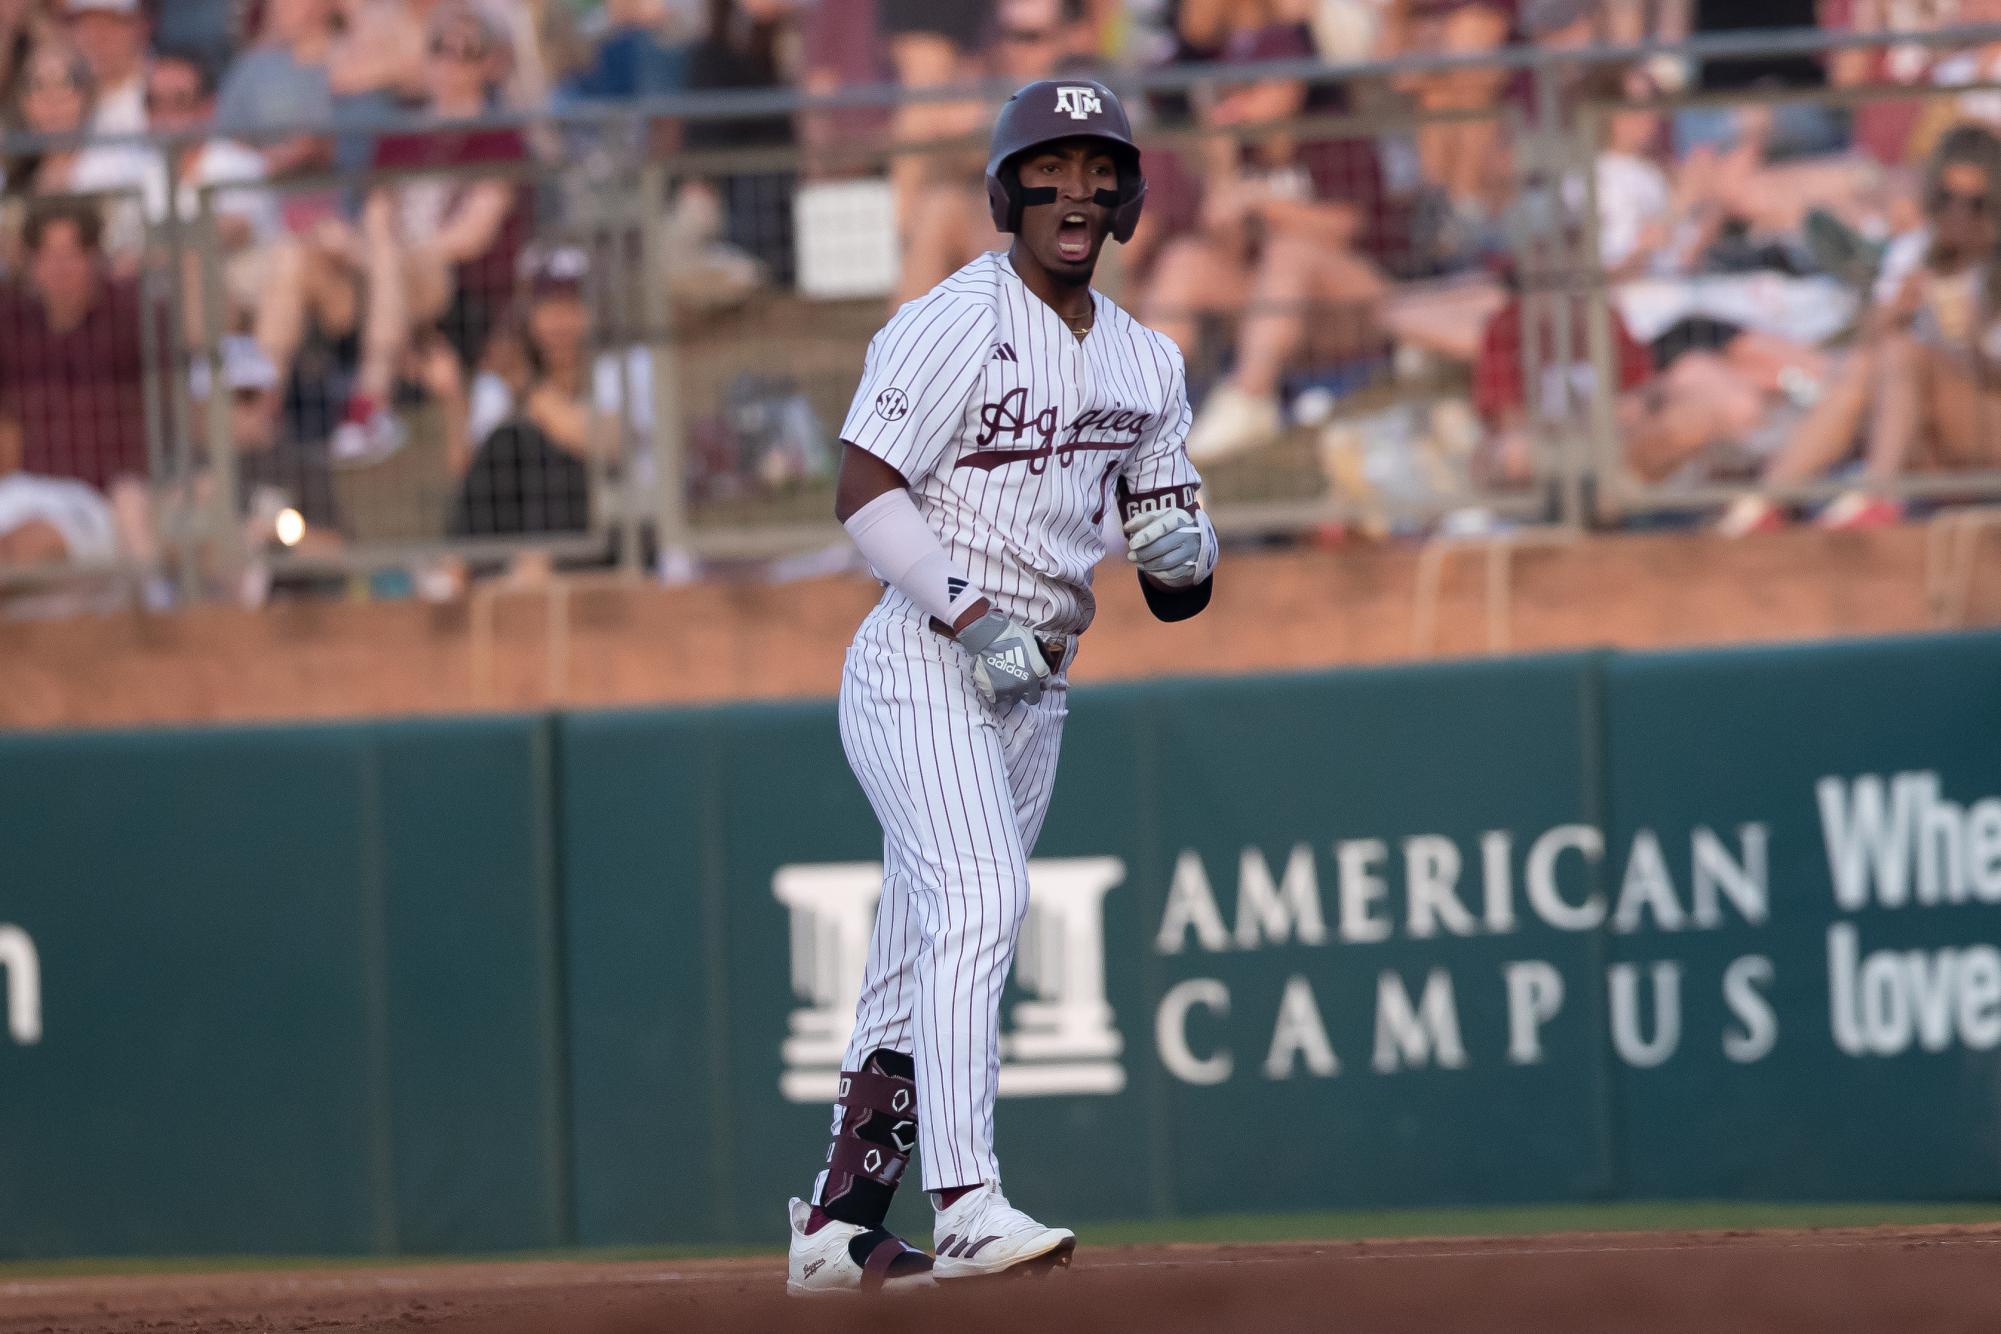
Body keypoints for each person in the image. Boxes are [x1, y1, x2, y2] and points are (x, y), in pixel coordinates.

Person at [784, 78, 1218, 1294]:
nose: (1074, 190)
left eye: (1097, 170)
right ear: (1005, 187)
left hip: (1036, 684)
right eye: (1051, 166)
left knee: (921, 945)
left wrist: (1190, 556)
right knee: (980, 894)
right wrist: (967, 613)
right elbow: (864, 486)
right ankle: (966, 1199)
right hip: (925, 655)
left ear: (1126, 196)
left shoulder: (1146, 359)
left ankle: (838, 1225)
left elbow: (1172, 555)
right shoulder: (951, 318)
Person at [60, 0, 145, 136]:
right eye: (85, 25)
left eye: (107, 24)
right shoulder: (61, 97)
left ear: (137, 26)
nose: (94, 38)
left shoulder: (165, 93)